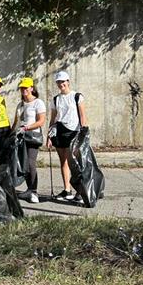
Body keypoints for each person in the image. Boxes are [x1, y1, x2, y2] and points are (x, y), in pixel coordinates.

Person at [47, 70, 87, 201]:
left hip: (74, 132)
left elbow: (82, 116)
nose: (61, 84)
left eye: (63, 81)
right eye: (58, 82)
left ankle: (80, 191)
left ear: (68, 82)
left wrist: (83, 133)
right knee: (63, 161)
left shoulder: (77, 96)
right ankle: (67, 190)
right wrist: (49, 137)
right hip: (60, 132)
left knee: (74, 163)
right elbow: (53, 119)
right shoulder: (55, 99)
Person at [12, 77, 46, 203]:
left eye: (26, 87)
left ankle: (34, 192)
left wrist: (27, 128)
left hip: (32, 136)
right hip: (21, 137)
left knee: (31, 163)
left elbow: (41, 121)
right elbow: (16, 123)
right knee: (24, 164)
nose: (24, 90)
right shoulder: (20, 104)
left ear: (31, 88)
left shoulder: (38, 103)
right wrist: (11, 134)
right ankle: (29, 189)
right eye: (22, 88)